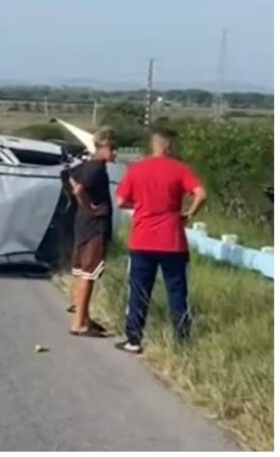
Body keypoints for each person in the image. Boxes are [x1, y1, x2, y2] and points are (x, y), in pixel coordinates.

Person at [115, 129, 208, 354]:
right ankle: (181, 342)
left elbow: (120, 201)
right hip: (172, 241)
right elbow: (201, 194)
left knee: (138, 291)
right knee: (177, 293)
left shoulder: (136, 169)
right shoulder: (180, 169)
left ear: (153, 145)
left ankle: (134, 339)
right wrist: (189, 214)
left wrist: (140, 206)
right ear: (168, 146)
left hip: (142, 241)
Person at [68, 128, 117, 337]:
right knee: (89, 274)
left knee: (82, 273)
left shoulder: (87, 165)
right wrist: (90, 207)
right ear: (101, 147)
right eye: (112, 148)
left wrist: (82, 205)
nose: (115, 152)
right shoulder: (96, 168)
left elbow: (69, 176)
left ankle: (83, 317)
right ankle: (79, 323)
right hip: (94, 227)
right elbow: (79, 189)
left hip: (83, 225)